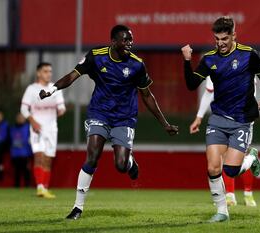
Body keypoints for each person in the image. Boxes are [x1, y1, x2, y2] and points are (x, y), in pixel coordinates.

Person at [39, 24, 179, 220]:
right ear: (114, 42)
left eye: (131, 39)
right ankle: (77, 208)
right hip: (100, 113)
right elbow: (73, 75)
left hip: (124, 118)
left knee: (120, 165)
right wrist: (51, 90)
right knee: (92, 156)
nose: (130, 43)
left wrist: (164, 123)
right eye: (125, 39)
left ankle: (130, 162)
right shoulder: (96, 56)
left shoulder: (137, 64)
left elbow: (147, 95)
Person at [181, 16, 260, 222]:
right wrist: (187, 61)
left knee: (230, 170)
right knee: (213, 167)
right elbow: (191, 84)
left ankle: (251, 158)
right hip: (218, 118)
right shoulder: (210, 59)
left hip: (242, 119)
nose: (220, 43)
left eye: (224, 38)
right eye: (217, 39)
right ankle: (222, 212)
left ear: (233, 35)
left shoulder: (249, 55)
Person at [190, 78, 258, 207]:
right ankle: (229, 195)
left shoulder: (247, 62)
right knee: (223, 158)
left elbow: (252, 91)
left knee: (241, 157)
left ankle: (248, 193)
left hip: (242, 120)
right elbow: (209, 92)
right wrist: (199, 117)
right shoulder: (215, 64)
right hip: (222, 120)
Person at [21, 62, 66, 198]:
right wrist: (32, 121)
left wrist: (61, 110)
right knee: (39, 156)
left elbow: (62, 107)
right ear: (38, 73)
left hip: (51, 128)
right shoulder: (32, 89)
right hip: (37, 128)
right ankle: (40, 187)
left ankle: (45, 188)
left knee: (48, 159)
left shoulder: (55, 88)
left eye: (50, 71)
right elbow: (23, 109)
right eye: (45, 71)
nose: (49, 74)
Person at [10, 113, 32, 187]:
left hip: (25, 154)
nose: (20, 119)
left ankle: (27, 185)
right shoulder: (12, 128)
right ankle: (16, 186)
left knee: (26, 170)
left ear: (25, 119)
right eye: (18, 117)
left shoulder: (29, 127)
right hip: (15, 154)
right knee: (17, 171)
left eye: (21, 118)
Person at [0, 108, 9, 181]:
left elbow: (8, 137)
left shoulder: (6, 125)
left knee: (0, 151)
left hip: (3, 146)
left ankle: (0, 168)